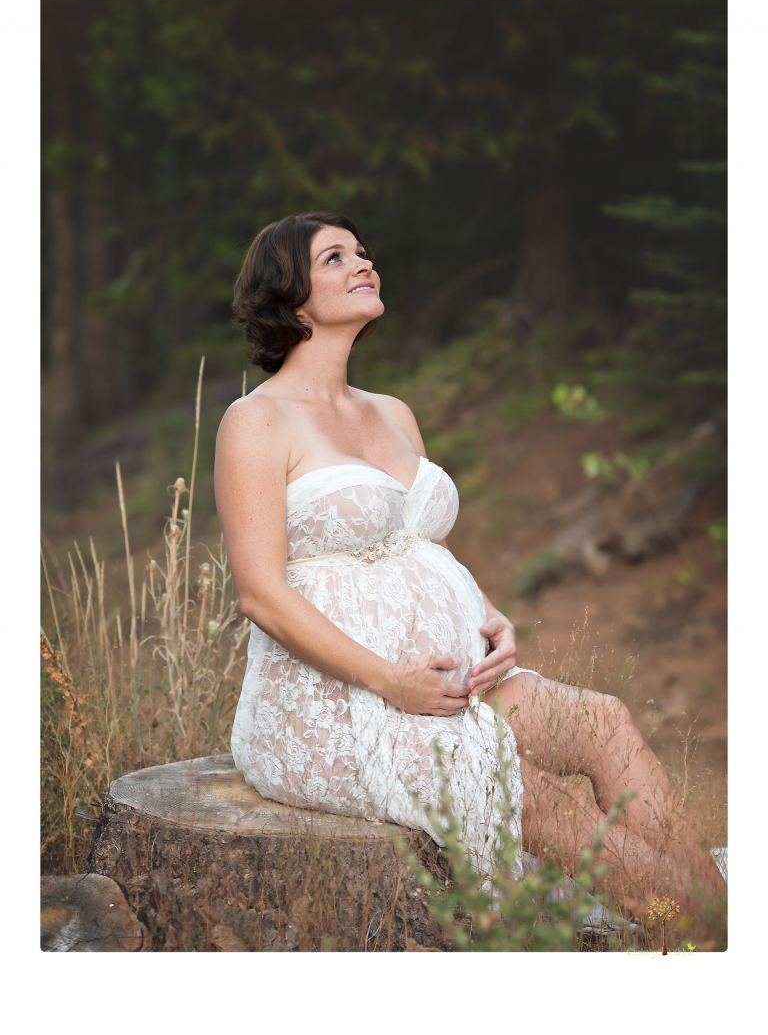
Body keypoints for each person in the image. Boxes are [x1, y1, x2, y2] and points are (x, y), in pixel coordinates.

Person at [215, 211, 721, 907]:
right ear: (290, 297)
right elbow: (260, 594)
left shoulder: (391, 412)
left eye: (362, 251)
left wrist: (489, 615)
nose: (363, 263)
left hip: (449, 687)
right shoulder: (257, 420)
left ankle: (714, 924)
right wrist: (390, 681)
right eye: (334, 258)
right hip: (339, 707)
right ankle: (709, 932)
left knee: (603, 721)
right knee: (534, 797)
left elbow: (422, 541)